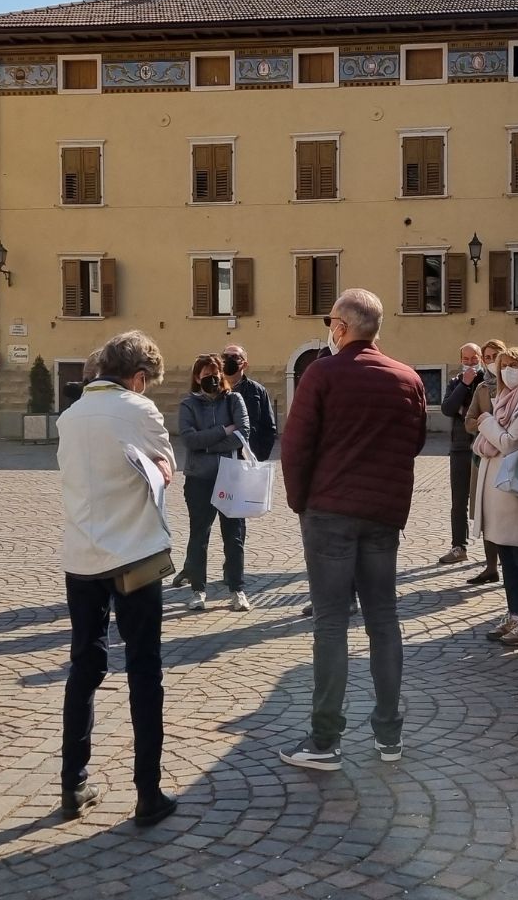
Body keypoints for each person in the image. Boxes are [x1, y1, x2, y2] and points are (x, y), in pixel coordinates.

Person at [279, 289, 427, 770]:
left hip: (330, 513)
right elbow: (415, 441)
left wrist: (301, 501)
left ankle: (325, 741)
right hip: (383, 513)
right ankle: (389, 735)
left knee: (331, 624)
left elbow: (296, 445)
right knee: (384, 621)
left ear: (341, 327)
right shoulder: (408, 378)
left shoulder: (322, 373)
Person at [57, 330, 181, 828]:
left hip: (82, 554)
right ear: (139, 377)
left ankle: (73, 780)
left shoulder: (69, 417)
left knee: (84, 666)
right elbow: (167, 467)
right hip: (133, 554)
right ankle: (147, 793)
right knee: (144, 669)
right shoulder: (139, 409)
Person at [471, 346, 518, 648]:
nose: (508, 371)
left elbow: (510, 442)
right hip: (495, 489)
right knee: (507, 559)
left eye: (514, 365)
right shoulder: (501, 401)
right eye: (504, 366)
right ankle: (515, 613)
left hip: (514, 490)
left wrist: (486, 423)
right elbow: (480, 444)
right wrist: (490, 429)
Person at [177, 353, 252, 611]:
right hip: (199, 479)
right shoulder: (188, 405)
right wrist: (223, 431)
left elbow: (243, 433)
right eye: (206, 374)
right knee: (199, 535)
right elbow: (189, 440)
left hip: (230, 477)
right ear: (197, 377)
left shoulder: (234, 400)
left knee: (234, 536)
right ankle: (198, 590)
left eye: (216, 373)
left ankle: (237, 590)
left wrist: (207, 444)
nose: (213, 378)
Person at [438, 343, 488, 565]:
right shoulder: (455, 382)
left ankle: (493, 552)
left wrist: (466, 411)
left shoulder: (488, 382)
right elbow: (448, 409)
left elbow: (482, 413)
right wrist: (464, 385)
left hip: (486, 447)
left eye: (473, 358)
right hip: (459, 447)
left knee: (488, 500)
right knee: (459, 501)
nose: (469, 363)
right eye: (465, 359)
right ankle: (459, 547)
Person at [463, 339, 508, 584]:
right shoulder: (481, 389)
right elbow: (468, 420)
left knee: (507, 511)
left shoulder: (516, 388)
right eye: (487, 357)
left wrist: (489, 423)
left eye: (495, 356)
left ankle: (510, 562)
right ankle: (491, 567)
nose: (491, 361)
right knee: (485, 511)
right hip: (483, 456)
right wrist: (486, 422)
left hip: (510, 456)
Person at [223, 343, 278, 462]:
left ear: (245, 364)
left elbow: (269, 426)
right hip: (219, 458)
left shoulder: (257, 391)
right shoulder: (213, 390)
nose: (228, 360)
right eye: (225, 357)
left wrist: (259, 454)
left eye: (234, 357)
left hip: (248, 458)